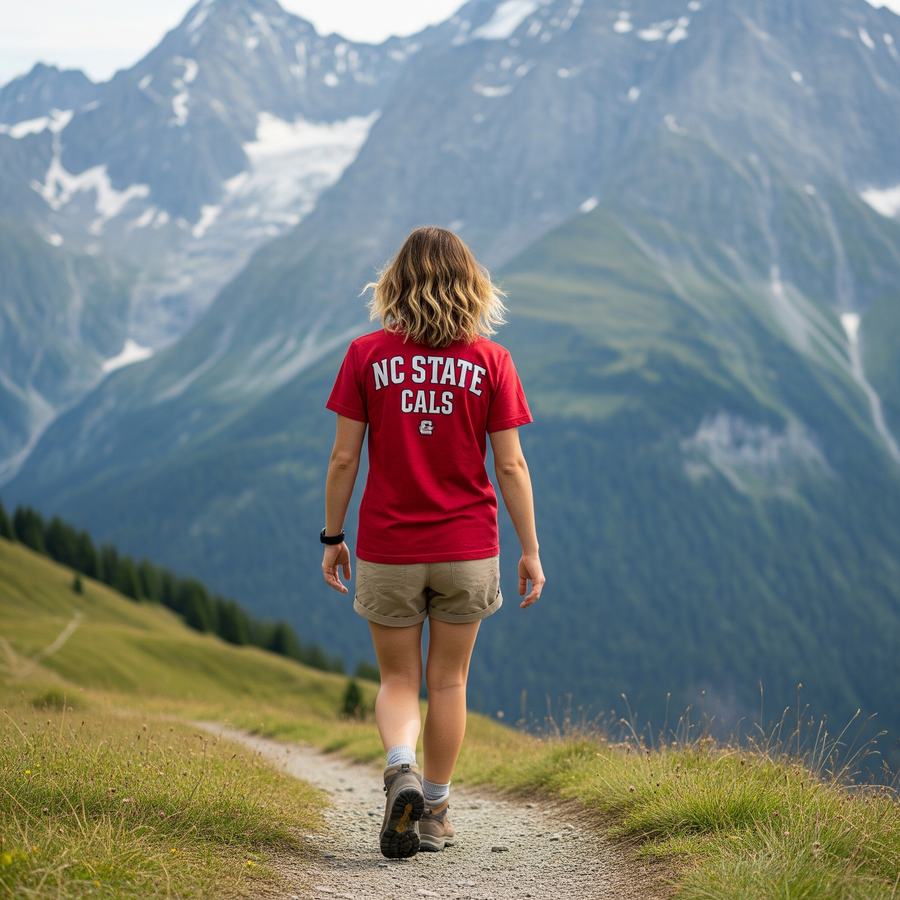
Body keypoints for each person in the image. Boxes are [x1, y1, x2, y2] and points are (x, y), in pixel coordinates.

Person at [321, 225, 545, 859]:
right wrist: (528, 549)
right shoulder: (492, 362)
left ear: (395, 283)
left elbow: (344, 459)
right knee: (448, 682)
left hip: (389, 546)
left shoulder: (366, 355)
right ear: (472, 286)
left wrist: (334, 537)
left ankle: (401, 770)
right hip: (468, 547)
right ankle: (436, 812)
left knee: (398, 679)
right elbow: (511, 467)